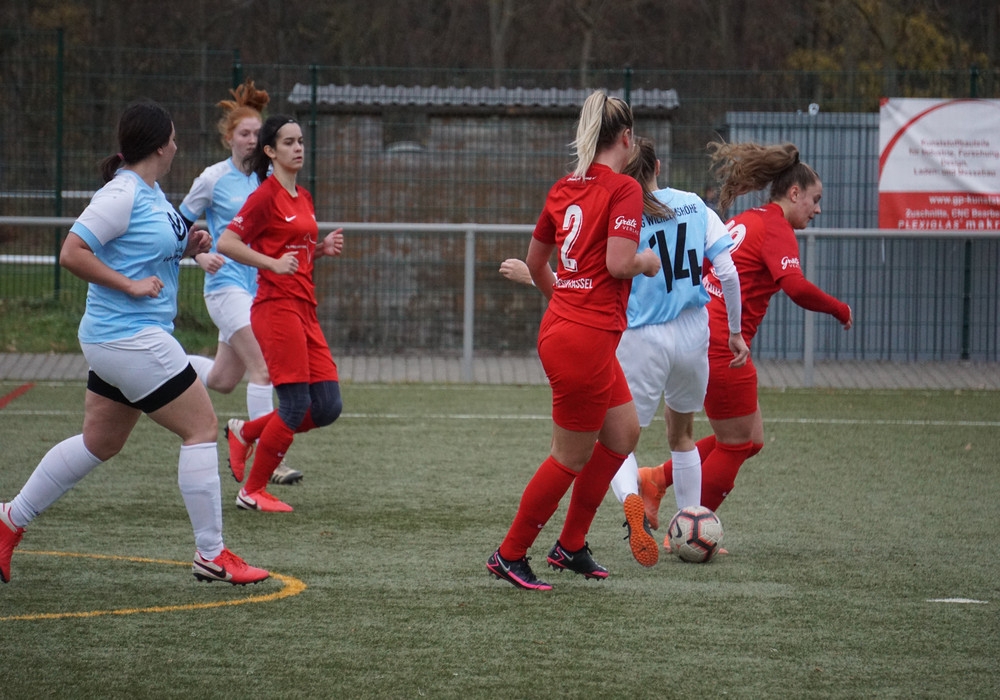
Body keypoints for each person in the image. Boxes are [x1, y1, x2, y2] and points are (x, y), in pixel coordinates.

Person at [0, 99, 268, 586]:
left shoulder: (152, 191)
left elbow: (144, 248)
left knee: (100, 442)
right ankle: (211, 554)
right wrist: (129, 285)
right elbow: (72, 252)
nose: (177, 145)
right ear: (160, 146)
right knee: (203, 428)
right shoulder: (121, 193)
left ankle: (8, 519)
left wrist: (189, 246)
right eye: (174, 138)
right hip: (130, 337)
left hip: (116, 339)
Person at [501, 137, 749, 568]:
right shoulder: (693, 204)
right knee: (682, 434)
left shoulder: (619, 213)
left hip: (638, 332)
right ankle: (688, 523)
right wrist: (736, 331)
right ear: (659, 166)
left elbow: (591, 276)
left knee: (613, 441)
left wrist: (534, 276)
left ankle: (630, 497)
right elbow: (727, 272)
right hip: (694, 328)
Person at [486, 90, 661, 591]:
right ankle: (509, 554)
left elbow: (535, 262)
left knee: (623, 434)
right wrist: (647, 262)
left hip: (572, 331)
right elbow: (619, 264)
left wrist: (565, 301)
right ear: (626, 138)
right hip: (583, 340)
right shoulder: (624, 188)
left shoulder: (564, 187)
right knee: (569, 457)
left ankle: (570, 544)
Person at [637, 141, 853, 534]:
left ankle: (656, 479)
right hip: (722, 341)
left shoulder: (749, 219)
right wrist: (840, 308)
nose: (817, 209)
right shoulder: (775, 227)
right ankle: (690, 529)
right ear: (794, 193)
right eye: (815, 199)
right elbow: (795, 286)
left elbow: (705, 264)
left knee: (750, 439)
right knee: (736, 442)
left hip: (707, 332)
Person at [216, 114, 345, 514]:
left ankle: (246, 432)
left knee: (327, 405)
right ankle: (251, 491)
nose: (298, 148)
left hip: (305, 308)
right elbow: (227, 242)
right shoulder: (265, 195)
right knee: (292, 404)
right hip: (276, 308)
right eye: (288, 142)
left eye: (300, 141)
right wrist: (270, 264)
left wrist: (320, 249)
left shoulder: (302, 196)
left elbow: (295, 254)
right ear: (270, 151)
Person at [178, 80, 302, 486]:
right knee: (262, 368)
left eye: (257, 134)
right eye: (244, 133)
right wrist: (198, 254)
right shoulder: (213, 178)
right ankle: (270, 457)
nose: (251, 140)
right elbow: (176, 226)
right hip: (225, 287)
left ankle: (169, 362)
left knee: (223, 380)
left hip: (258, 290)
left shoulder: (269, 181)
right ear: (229, 137)